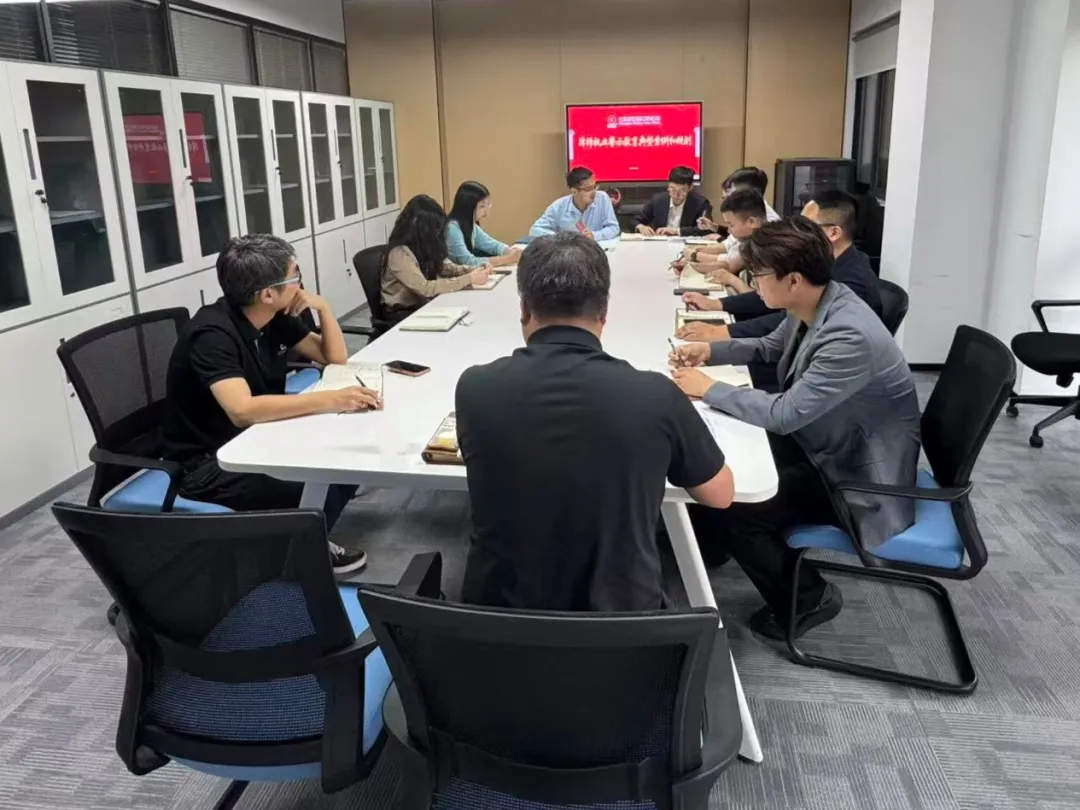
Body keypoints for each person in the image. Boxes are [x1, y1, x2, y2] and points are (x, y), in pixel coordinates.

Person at [668, 217, 920, 640]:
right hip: (824, 441)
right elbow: (770, 347)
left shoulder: (848, 335)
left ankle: (807, 599)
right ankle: (709, 543)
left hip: (853, 474)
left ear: (794, 280)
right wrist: (709, 351)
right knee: (719, 460)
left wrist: (708, 388)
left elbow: (785, 414)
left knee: (736, 505)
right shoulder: (820, 301)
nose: (753, 283)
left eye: (759, 275)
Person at [455, 232, 735, 612]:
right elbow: (720, 495)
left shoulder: (474, 387)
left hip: (497, 625)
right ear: (604, 312)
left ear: (523, 308)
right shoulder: (655, 395)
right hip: (623, 630)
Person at [161, 235, 378, 574]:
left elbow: (333, 358)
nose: (300, 284)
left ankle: (299, 535)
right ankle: (295, 554)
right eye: (295, 276)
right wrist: (332, 399)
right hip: (208, 462)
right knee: (317, 480)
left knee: (345, 460)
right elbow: (242, 410)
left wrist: (323, 308)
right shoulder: (212, 335)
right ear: (267, 294)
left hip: (254, 438)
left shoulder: (271, 316)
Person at [677, 189, 882, 345]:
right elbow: (772, 293)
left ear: (834, 233)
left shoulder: (852, 281)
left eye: (806, 226)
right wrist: (718, 304)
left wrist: (721, 332)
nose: (797, 231)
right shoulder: (822, 260)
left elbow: (788, 321)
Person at [381, 194, 492, 324]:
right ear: (419, 227)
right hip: (402, 314)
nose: (437, 233)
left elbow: (443, 267)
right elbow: (425, 288)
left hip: (423, 306)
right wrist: (469, 279)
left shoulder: (423, 245)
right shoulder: (399, 253)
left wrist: (473, 269)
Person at [672, 189, 767, 291]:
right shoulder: (748, 240)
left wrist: (732, 280)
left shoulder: (766, 249)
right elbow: (726, 264)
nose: (728, 231)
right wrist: (691, 266)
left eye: (731, 225)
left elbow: (760, 299)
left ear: (752, 222)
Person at [529, 166, 620, 242]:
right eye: (589, 189)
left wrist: (594, 235)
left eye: (595, 186)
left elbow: (614, 228)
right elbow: (535, 230)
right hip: (569, 253)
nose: (594, 192)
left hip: (596, 250)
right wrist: (561, 238)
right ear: (574, 191)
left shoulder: (602, 198)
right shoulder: (558, 206)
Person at [695, 166, 781, 244]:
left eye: (732, 193)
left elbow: (735, 248)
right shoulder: (751, 209)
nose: (729, 199)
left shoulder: (768, 223)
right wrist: (714, 227)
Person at [446, 180, 522, 268]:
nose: (486, 211)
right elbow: (467, 261)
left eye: (488, 204)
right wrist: (508, 259)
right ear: (468, 206)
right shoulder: (452, 228)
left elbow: (491, 244)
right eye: (482, 206)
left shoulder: (471, 225)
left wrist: (509, 251)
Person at [634, 166, 712, 237]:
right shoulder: (658, 200)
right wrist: (640, 226)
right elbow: (635, 220)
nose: (676, 195)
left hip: (686, 244)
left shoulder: (701, 203)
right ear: (668, 185)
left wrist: (677, 231)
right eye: (672, 189)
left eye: (682, 190)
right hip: (661, 243)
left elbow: (706, 229)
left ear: (690, 188)